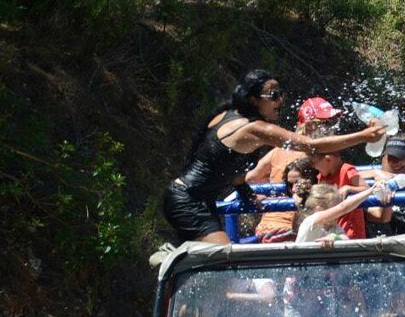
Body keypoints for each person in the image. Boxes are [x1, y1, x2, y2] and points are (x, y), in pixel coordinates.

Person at [163, 70, 382, 244]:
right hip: (188, 200)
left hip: (195, 199)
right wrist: (363, 136)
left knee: (209, 262)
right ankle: (172, 257)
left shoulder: (229, 116)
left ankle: (177, 257)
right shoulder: (253, 128)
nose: (280, 101)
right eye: (273, 96)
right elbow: (311, 144)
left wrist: (248, 196)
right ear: (253, 100)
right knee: (222, 258)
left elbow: (235, 173)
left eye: (281, 94)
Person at [249, 97, 342, 242]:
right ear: (310, 126)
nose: (333, 128)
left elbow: (250, 178)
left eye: (334, 122)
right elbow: (344, 175)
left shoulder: (279, 150)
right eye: (328, 123)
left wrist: (266, 195)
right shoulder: (318, 154)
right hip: (294, 231)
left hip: (265, 229)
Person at [252, 157, 318, 242]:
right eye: (290, 185)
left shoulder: (321, 197)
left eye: (298, 183)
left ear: (312, 180)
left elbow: (301, 232)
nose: (294, 189)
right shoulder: (283, 196)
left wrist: (299, 206)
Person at [293, 181, 382, 245]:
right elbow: (343, 208)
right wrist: (371, 191)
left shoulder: (333, 227)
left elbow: (346, 240)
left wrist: (334, 237)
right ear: (319, 209)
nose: (339, 214)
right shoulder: (311, 221)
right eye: (334, 210)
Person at [309, 149, 368, 238]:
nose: (313, 166)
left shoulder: (347, 170)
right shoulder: (322, 177)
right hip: (329, 231)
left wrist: (349, 188)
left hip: (351, 230)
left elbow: (367, 189)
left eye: (314, 162)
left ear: (328, 159)